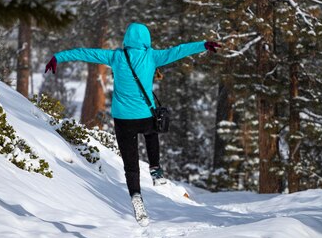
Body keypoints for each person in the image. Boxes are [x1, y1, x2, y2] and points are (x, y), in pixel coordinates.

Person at [45, 22, 220, 225]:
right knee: (152, 134)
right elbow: (178, 50)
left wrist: (58, 57)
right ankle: (155, 170)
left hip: (123, 120)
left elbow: (85, 53)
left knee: (131, 165)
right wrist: (203, 45)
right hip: (145, 117)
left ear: (127, 39)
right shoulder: (152, 56)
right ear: (146, 40)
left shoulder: (116, 57)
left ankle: (136, 196)